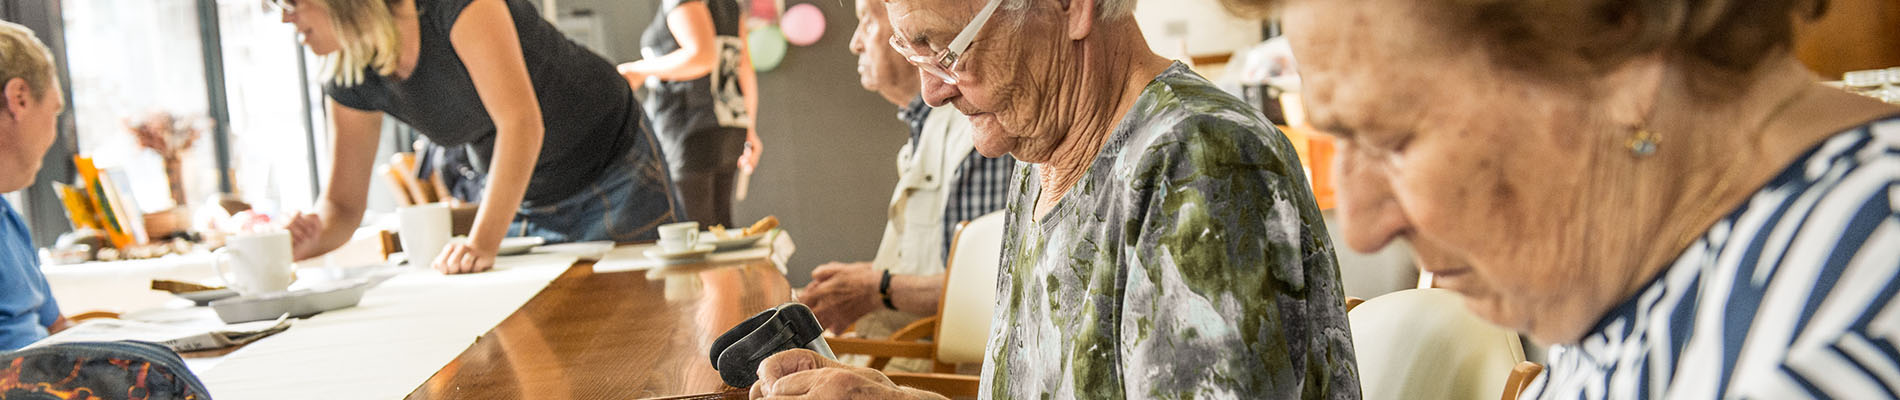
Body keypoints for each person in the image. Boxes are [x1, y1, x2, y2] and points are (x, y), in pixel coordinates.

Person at [1220, 0, 1900, 398]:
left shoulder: (1828, 348)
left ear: (1619, 53)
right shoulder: (1637, 271)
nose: (1362, 227)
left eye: (1394, 138)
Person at [751, 0, 1360, 398]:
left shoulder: (1199, 161)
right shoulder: (1040, 155)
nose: (931, 91)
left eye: (947, 50)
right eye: (915, 52)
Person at [274, 0, 686, 274]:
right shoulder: (351, 74)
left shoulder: (453, 5)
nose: (283, 18)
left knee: (648, 328)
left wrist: (481, 243)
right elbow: (342, 206)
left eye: (289, 3)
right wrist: (302, 240)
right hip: (527, 195)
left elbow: (521, 123)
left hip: (613, 160)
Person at [795, 0, 1016, 349]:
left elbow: (989, 286)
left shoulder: (976, 136)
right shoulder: (925, 134)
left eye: (867, 22)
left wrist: (877, 288)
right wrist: (863, 280)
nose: (854, 43)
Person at [619, 0, 759, 229]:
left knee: (695, 235)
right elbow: (744, 67)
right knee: (721, 230)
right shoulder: (730, 4)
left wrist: (636, 70)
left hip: (690, 127)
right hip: (728, 126)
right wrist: (750, 128)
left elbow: (701, 56)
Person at [0, 21, 72, 351]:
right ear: (20, 99)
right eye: (54, 111)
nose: (53, 134)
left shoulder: (8, 218)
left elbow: (58, 328)